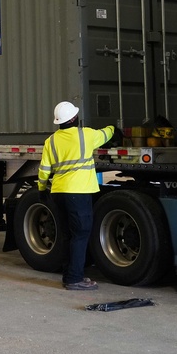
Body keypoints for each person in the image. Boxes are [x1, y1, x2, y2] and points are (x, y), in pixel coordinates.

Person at [37, 101, 116, 291]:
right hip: (78, 192)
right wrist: (114, 126)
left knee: (66, 235)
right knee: (80, 234)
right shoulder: (85, 135)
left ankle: (69, 275)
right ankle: (74, 279)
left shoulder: (51, 141)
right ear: (73, 118)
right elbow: (107, 133)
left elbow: (44, 169)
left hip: (58, 192)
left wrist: (41, 188)